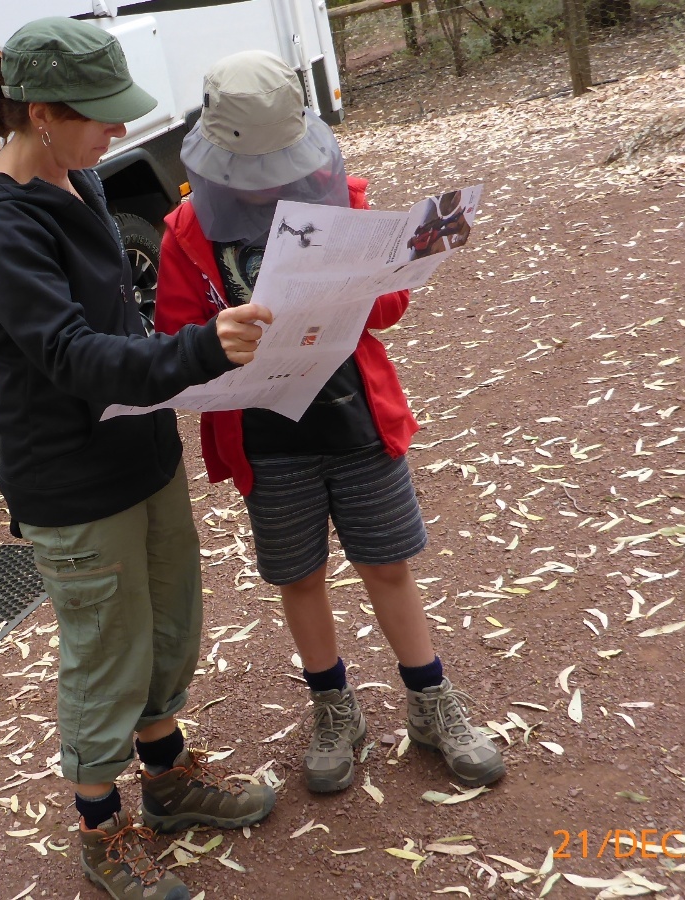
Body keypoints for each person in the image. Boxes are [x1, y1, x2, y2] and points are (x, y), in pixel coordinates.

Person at [0, 19, 278, 900]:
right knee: (104, 655)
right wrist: (200, 350)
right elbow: (72, 354)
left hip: (141, 450)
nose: (120, 130)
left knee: (168, 627)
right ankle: (101, 829)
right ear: (42, 114)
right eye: (101, 114)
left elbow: (122, 320)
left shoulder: (79, 177)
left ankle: (168, 782)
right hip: (73, 480)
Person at [154, 51, 505, 797]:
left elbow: (391, 306)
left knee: (388, 564)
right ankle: (333, 707)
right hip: (265, 437)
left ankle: (431, 700)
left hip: (354, 420)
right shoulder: (186, 230)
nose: (268, 182)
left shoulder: (339, 196)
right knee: (300, 576)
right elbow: (176, 333)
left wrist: (360, 287)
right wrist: (220, 337)